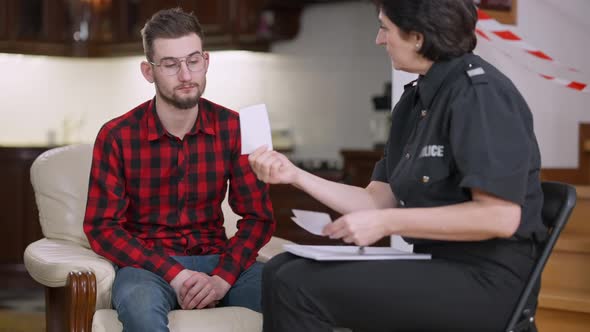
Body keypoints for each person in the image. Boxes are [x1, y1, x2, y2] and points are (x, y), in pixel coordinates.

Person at [248, 0, 545, 331]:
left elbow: (500, 217)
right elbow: (377, 200)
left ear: (417, 37)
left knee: (296, 285)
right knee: (281, 269)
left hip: (488, 280)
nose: (379, 39)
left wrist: (386, 223)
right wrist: (295, 175)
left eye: (385, 28)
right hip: (437, 264)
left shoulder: (480, 95)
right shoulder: (414, 102)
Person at [83, 8, 275, 332]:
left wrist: (222, 279)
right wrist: (175, 273)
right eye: (171, 64)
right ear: (149, 71)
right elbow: (102, 227)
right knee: (141, 309)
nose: (186, 75)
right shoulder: (116, 136)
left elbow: (258, 217)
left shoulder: (234, 128)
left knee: (288, 293)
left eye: (193, 60)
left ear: (206, 61)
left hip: (220, 260)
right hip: (147, 265)